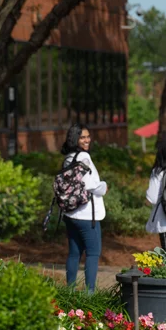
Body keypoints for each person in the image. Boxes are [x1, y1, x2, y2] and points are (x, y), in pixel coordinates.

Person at [59, 123, 108, 293]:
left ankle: (70, 292)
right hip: (87, 215)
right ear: (75, 139)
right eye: (82, 137)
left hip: (71, 214)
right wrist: (104, 186)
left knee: (74, 253)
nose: (87, 140)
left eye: (88, 136)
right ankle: (90, 295)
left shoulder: (69, 158)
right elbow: (91, 185)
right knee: (93, 253)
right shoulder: (83, 158)